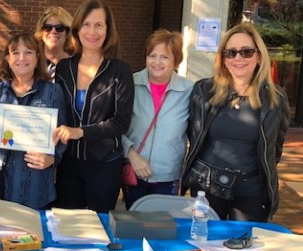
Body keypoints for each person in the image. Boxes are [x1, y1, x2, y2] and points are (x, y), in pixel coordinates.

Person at [182, 23, 290, 222]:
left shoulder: (276, 98)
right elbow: (193, 135)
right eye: (230, 53)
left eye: (246, 52)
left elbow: (275, 148)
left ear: (259, 56)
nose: (238, 58)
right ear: (223, 59)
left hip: (251, 190)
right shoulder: (204, 91)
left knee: (245, 248)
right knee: (204, 246)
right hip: (206, 187)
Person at [52, 0, 134, 213]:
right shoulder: (63, 68)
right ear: (77, 29)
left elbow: (121, 123)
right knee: (67, 225)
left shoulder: (120, 71)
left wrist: (79, 132)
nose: (92, 31)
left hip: (104, 163)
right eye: (87, 24)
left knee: (100, 227)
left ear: (108, 30)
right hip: (68, 162)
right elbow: (55, 109)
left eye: (99, 25)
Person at [0, 33, 66, 209]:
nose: (21, 58)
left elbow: (62, 135)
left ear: (37, 57)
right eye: (15, 53)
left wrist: (52, 158)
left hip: (35, 184)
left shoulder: (53, 92)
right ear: (7, 58)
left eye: (28, 52)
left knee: (33, 236)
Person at [121, 30, 193, 209]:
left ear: (176, 60)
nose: (157, 62)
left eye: (165, 57)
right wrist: (130, 154)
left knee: (162, 227)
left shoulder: (189, 91)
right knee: (133, 225)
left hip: (168, 176)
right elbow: (116, 125)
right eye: (152, 55)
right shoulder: (130, 83)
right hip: (134, 172)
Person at [34, 6, 74, 79]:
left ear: (68, 32)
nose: (53, 31)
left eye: (59, 28)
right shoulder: (32, 63)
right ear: (41, 31)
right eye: (48, 27)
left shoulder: (77, 65)